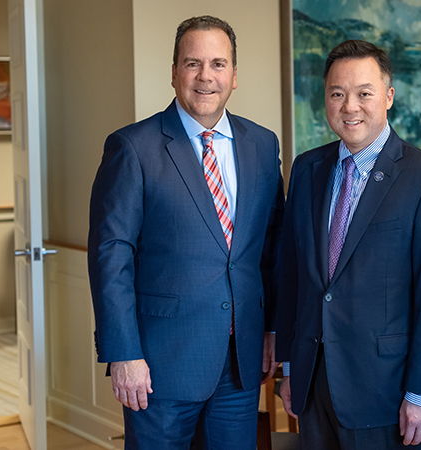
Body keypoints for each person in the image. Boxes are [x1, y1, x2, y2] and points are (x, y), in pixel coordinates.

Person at [88, 15, 283, 449]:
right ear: (174, 72)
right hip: (160, 366)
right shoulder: (133, 147)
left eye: (218, 64)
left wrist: (272, 331)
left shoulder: (263, 145)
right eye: (192, 63)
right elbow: (111, 255)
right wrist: (123, 353)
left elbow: (271, 249)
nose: (205, 77)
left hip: (241, 363)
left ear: (235, 75)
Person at [275, 39, 421, 449]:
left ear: (389, 97)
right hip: (312, 385)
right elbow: (293, 276)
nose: (349, 106)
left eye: (364, 93)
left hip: (386, 391)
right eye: (337, 94)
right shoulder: (307, 169)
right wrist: (290, 366)